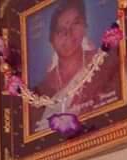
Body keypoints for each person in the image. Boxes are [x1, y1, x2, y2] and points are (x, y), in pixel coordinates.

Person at [31, 0, 120, 132]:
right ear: (52, 41)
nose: (68, 33)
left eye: (76, 23)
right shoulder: (41, 90)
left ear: (85, 27)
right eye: (60, 30)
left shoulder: (104, 63)